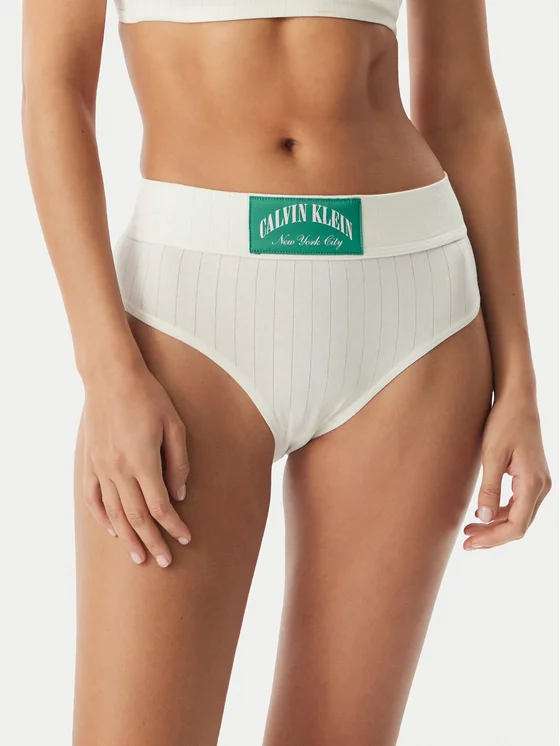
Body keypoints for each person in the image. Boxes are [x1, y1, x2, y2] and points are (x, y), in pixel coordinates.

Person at [22, 1, 551, 744]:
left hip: (412, 313)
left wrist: (520, 378)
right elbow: (54, 87)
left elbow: (464, 106)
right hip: (187, 318)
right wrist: (105, 371)